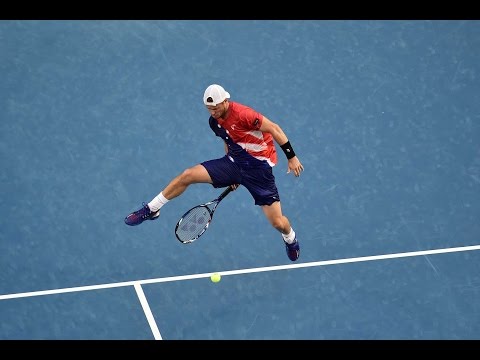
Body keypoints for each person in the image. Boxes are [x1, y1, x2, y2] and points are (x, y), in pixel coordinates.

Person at [125, 84, 304, 261]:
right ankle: (152, 209)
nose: (212, 112)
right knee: (187, 175)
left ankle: (290, 238)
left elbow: (275, 128)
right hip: (233, 163)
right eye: (209, 108)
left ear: (225, 101)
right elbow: (228, 139)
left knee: (278, 223)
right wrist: (231, 174)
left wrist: (292, 157)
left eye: (215, 108)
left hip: (259, 171)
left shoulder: (244, 114)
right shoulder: (214, 122)